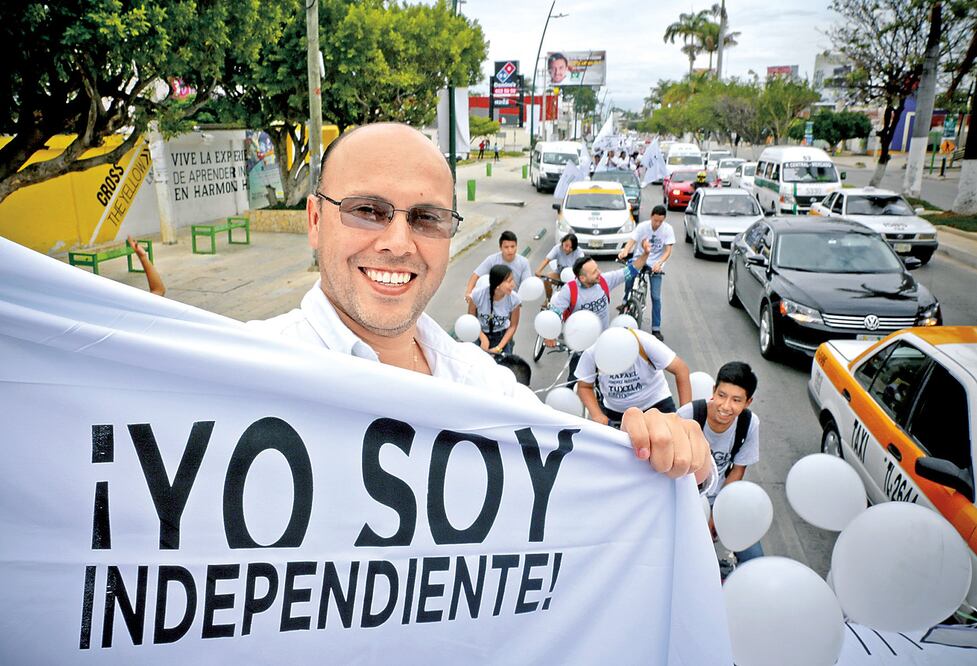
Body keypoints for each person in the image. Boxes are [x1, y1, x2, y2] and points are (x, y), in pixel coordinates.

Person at [249, 122, 711, 482]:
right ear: (315, 220)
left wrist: (669, 457)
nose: (398, 242)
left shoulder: (486, 387)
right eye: (367, 211)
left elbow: (580, 476)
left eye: (428, 218)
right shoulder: (240, 377)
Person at [677, 362, 763, 566]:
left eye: (736, 400)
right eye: (722, 395)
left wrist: (718, 513)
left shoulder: (749, 424)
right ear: (713, 391)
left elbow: (738, 470)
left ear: (747, 402)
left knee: (754, 558)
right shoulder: (688, 415)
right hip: (685, 496)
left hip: (719, 499)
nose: (725, 406)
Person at [545, 245, 651, 383]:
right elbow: (555, 313)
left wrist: (646, 254)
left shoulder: (604, 281)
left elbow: (631, 270)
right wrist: (549, 335)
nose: (599, 272)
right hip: (580, 346)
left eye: (597, 268)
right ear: (582, 278)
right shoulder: (569, 290)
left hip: (603, 343)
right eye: (594, 271)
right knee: (575, 381)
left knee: (606, 383)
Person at [577, 328, 692, 427]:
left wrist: (684, 417)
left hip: (656, 403)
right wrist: (597, 415)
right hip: (616, 412)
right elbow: (584, 387)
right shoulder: (592, 353)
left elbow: (681, 370)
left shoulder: (645, 342)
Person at [617, 204, 674, 341]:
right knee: (629, 275)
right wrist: (625, 251)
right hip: (640, 259)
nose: (657, 224)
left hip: (655, 264)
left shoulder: (668, 230)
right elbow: (632, 241)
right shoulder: (642, 227)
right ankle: (626, 300)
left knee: (656, 297)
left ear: (664, 219)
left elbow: (668, 250)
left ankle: (656, 328)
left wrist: (659, 263)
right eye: (655, 220)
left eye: (660, 221)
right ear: (651, 217)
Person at [464, 230, 532, 304]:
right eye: (506, 247)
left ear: (516, 246)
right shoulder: (492, 260)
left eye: (513, 246)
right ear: (500, 248)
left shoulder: (524, 262)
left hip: (512, 302)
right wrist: (468, 293)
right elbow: (476, 275)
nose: (510, 250)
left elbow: (527, 284)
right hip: (493, 300)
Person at [468, 264, 521, 355]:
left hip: (502, 336)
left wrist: (499, 348)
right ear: (497, 284)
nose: (513, 285)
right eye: (509, 281)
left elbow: (513, 326)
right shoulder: (477, 295)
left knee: (505, 365)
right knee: (473, 361)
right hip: (479, 332)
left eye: (513, 280)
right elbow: (471, 319)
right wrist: (482, 338)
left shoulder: (514, 299)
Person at [534, 233, 584, 303]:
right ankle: (548, 299)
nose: (567, 249)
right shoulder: (557, 248)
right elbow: (547, 259)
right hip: (559, 274)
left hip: (573, 278)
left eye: (571, 247)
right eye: (566, 245)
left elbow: (582, 266)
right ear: (562, 242)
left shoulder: (579, 252)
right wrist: (538, 271)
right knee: (547, 279)